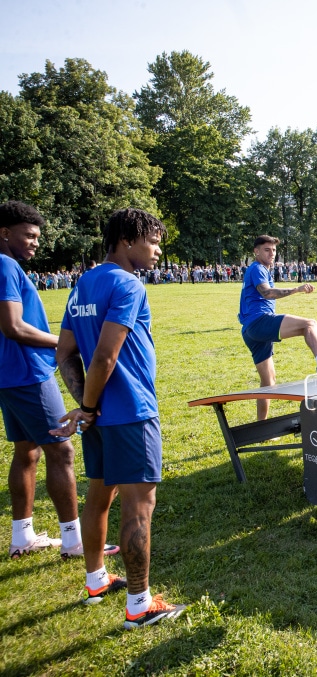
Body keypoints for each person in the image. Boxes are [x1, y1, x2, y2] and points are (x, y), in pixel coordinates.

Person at [51, 208, 184, 628]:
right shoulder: (128, 284)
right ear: (128, 240)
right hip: (132, 413)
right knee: (139, 506)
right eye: (154, 241)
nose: (159, 250)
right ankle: (140, 605)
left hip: (103, 418)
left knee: (99, 495)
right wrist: (89, 407)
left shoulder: (84, 282)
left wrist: (88, 408)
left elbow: (65, 354)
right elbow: (106, 354)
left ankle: (95, 581)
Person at [1, 202, 111, 561]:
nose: (35, 242)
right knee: (61, 450)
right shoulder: (5, 266)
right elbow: (13, 326)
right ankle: (73, 541)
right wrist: (65, 343)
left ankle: (22, 536)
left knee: (26, 451)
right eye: (28, 235)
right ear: (4, 232)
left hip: (8, 376)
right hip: (29, 373)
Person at [239, 235, 317, 421]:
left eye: (274, 250)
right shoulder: (257, 268)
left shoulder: (259, 269)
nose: (272, 253)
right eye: (267, 250)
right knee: (309, 324)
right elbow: (267, 293)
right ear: (256, 251)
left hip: (250, 331)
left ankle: (261, 426)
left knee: (268, 382)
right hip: (259, 322)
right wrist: (296, 290)